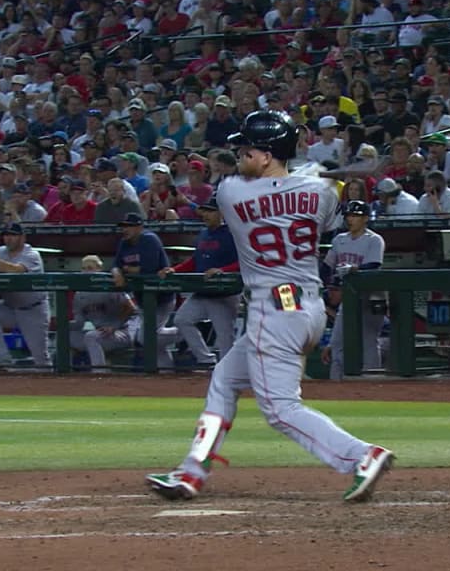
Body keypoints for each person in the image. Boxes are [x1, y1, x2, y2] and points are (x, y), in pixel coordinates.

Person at [145, 111, 393, 502]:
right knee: (225, 379)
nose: (239, 155)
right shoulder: (322, 190)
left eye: (247, 149)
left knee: (279, 409)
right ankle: (192, 471)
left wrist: (309, 172)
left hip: (272, 309)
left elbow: (266, 186)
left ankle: (361, 455)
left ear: (266, 154)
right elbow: (322, 208)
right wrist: (319, 172)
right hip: (307, 309)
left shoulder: (230, 192)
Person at [158, 199, 240, 367]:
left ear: (221, 213)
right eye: (205, 211)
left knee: (225, 337)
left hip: (224, 294)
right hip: (202, 291)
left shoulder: (232, 233)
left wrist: (222, 270)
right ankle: (206, 360)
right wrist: (175, 269)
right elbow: (196, 260)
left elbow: (244, 261)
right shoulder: (204, 233)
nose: (206, 215)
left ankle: (228, 372)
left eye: (211, 211)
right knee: (182, 319)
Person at [320, 200, 387, 381]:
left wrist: (354, 269)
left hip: (371, 297)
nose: (351, 219)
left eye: (356, 216)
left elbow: (374, 265)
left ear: (366, 218)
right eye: (349, 215)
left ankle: (372, 382)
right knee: (337, 343)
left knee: (369, 340)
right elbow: (326, 268)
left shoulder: (374, 240)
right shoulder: (339, 240)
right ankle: (336, 383)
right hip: (348, 298)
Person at [0, 223, 52, 369]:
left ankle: (52, 387)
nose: (8, 239)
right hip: (10, 308)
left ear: (22, 238)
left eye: (12, 235)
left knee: (41, 358)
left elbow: (16, 270)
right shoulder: (0, 251)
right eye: (6, 235)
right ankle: (2, 357)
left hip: (33, 310)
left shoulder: (31, 254)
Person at [112, 212, 179, 369]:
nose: (125, 230)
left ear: (139, 227)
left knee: (145, 337)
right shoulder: (124, 243)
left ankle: (182, 332)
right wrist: (117, 272)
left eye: (129, 226)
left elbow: (149, 269)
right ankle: (166, 370)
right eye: (123, 226)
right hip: (143, 299)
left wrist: (127, 269)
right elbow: (115, 264)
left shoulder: (149, 239)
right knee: (154, 341)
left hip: (162, 297)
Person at [69, 255, 139, 372]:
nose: (86, 272)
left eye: (90, 268)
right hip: (101, 333)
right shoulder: (79, 293)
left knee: (91, 337)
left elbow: (131, 308)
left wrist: (114, 326)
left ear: (99, 269)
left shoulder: (110, 284)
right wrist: (65, 325)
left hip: (123, 331)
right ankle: (64, 377)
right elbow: (79, 322)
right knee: (65, 336)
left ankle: (99, 374)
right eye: (84, 268)